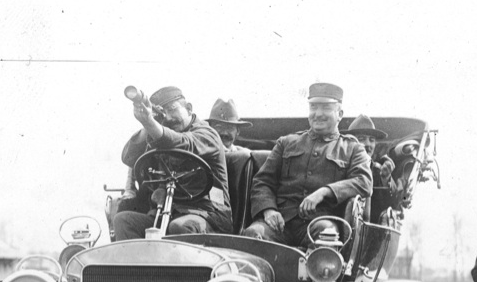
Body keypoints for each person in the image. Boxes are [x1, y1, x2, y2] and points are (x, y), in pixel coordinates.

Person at [242, 82, 372, 248]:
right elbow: (262, 181)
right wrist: (269, 210)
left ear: (339, 113)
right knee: (253, 234)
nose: (318, 114)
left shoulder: (352, 149)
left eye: (325, 108)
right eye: (313, 107)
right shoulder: (286, 143)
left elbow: (364, 182)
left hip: (320, 224)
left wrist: (325, 192)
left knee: (327, 237)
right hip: (280, 223)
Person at [113, 86, 232, 240]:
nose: (167, 118)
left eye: (172, 109)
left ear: (188, 108)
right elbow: (129, 157)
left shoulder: (207, 134)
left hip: (208, 215)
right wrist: (147, 123)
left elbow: (183, 143)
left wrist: (151, 124)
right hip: (166, 213)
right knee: (123, 221)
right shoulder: (161, 134)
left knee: (179, 227)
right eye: (163, 114)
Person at [346, 114, 407, 223]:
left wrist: (386, 178)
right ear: (350, 143)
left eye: (372, 140)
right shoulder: (340, 168)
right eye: (362, 139)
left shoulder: (379, 171)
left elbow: (393, 204)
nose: (368, 144)